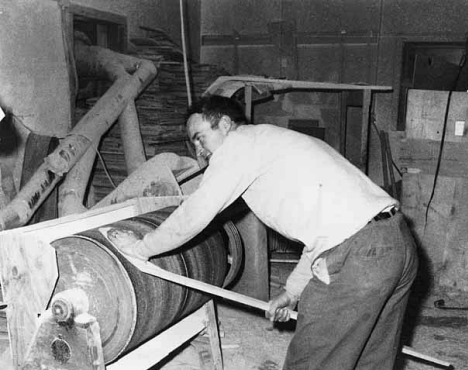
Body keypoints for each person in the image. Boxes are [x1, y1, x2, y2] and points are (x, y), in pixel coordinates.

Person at [108, 94, 418, 370]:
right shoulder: (272, 142)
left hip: (361, 256)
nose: (199, 152)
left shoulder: (239, 146)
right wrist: (293, 292)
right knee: (371, 359)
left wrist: (141, 247)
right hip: (396, 243)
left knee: (312, 360)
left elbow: (195, 212)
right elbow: (325, 234)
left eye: (201, 138)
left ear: (226, 124)